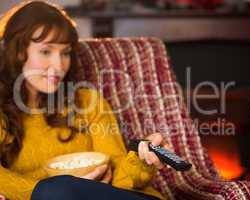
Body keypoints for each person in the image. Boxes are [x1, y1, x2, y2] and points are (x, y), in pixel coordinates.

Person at [0, 1, 169, 200]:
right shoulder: (4, 112)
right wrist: (68, 190)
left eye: (65, 53)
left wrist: (142, 160)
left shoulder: (88, 101)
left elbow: (120, 179)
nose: (59, 65)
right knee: (57, 190)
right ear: (18, 53)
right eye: (46, 51)